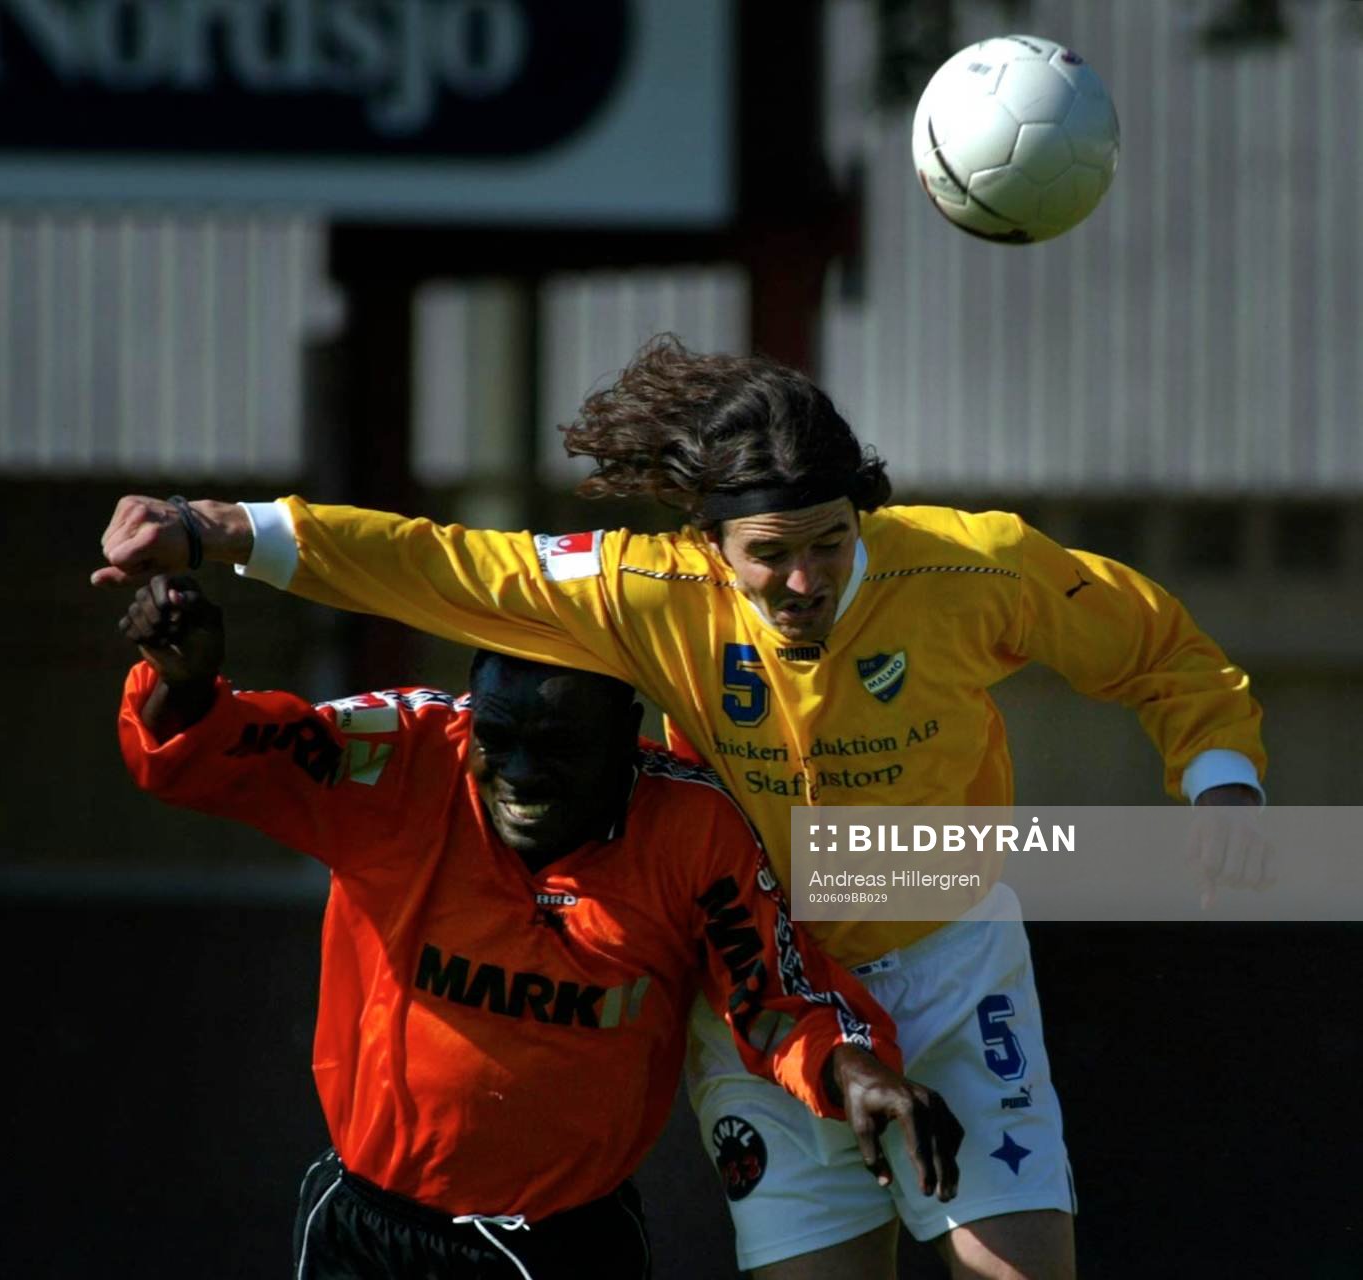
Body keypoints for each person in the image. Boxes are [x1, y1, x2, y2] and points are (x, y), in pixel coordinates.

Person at [95, 336, 1266, 1280]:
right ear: (708, 540)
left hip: (948, 951)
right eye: (770, 554)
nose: (803, 580)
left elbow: (1158, 645)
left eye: (831, 543)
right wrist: (214, 527)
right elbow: (438, 561)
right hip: (769, 980)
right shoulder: (643, 591)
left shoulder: (972, 569)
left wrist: (1221, 780)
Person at [116, 571, 964, 1280]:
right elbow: (217, 755)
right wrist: (183, 687)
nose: (519, 773)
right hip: (369, 1233)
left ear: (626, 738)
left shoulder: (690, 828)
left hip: (571, 1246)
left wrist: (854, 1068)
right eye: (500, 736)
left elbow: (772, 994)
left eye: (558, 745)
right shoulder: (405, 756)